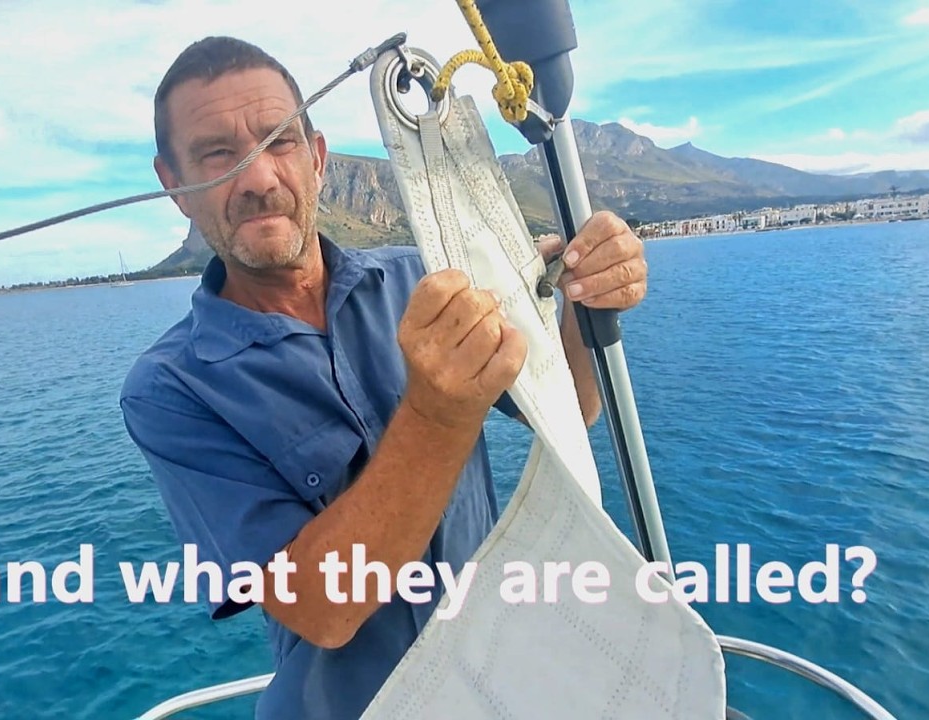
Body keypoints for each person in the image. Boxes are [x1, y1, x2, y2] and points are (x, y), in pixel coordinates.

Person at [120, 35, 650, 720]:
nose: (256, 178)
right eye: (217, 155)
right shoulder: (171, 389)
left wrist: (585, 302)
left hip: (505, 685)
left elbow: (570, 403)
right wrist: (436, 413)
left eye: (278, 141)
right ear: (174, 185)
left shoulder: (422, 274)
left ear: (315, 158)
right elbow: (321, 607)